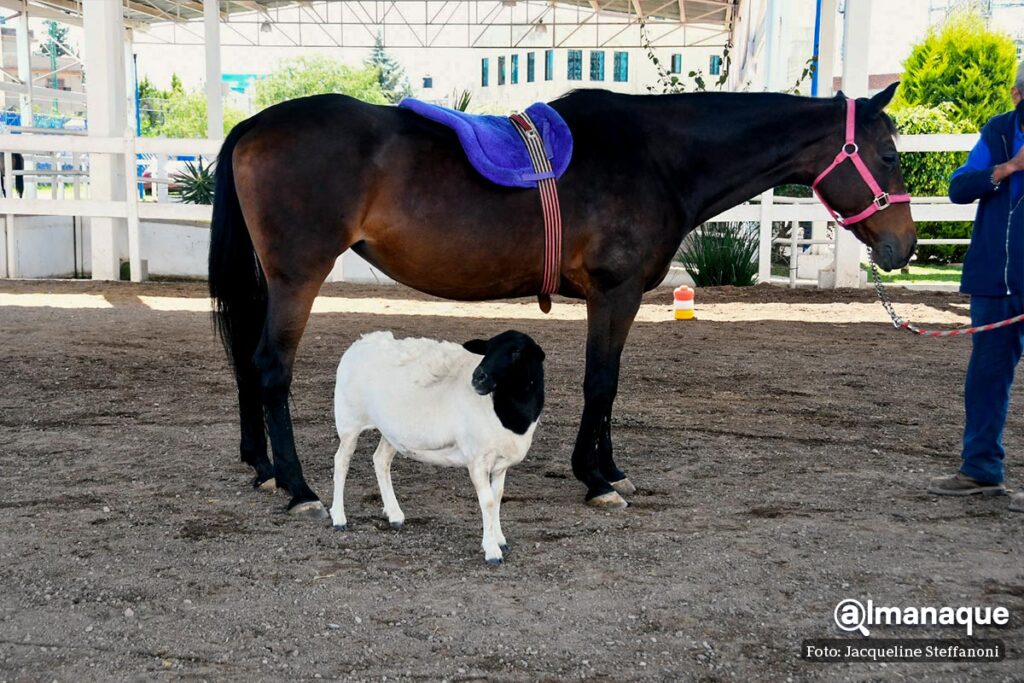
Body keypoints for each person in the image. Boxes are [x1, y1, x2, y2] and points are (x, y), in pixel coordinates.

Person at [928, 60, 1024, 513]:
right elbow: (959, 187)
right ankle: (981, 469)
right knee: (986, 377)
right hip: (996, 282)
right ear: (1016, 95)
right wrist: (1007, 168)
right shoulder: (999, 132)